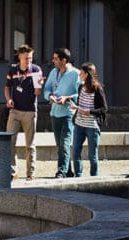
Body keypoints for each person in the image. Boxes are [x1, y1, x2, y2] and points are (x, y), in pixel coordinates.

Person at [5, 44, 43, 181]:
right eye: (26, 58)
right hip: (15, 110)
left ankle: (30, 174)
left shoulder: (36, 70)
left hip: (30, 111)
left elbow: (38, 93)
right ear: (20, 57)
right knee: (10, 142)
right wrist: (9, 99)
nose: (29, 61)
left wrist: (39, 85)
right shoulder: (13, 69)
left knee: (30, 144)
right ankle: (11, 172)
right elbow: (7, 87)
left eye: (31, 58)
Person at [43, 48, 81, 178]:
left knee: (64, 143)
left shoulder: (76, 74)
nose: (53, 61)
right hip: (55, 113)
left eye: (55, 59)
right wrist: (50, 96)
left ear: (63, 60)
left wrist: (67, 98)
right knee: (60, 145)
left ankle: (62, 171)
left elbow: (81, 94)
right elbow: (47, 89)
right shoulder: (53, 72)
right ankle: (68, 171)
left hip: (68, 114)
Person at [70, 63, 107, 177]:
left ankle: (93, 178)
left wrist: (89, 112)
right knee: (75, 152)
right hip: (79, 124)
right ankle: (78, 176)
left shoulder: (97, 89)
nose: (79, 74)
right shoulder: (81, 87)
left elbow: (104, 108)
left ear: (86, 74)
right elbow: (80, 104)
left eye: (81, 73)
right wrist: (76, 107)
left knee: (92, 155)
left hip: (92, 126)